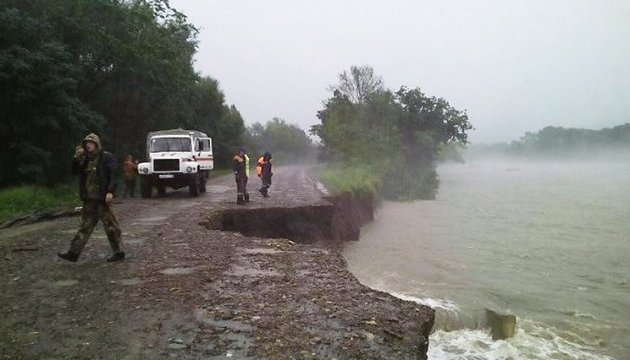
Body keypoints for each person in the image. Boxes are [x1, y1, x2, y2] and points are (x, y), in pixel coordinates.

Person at [57, 133, 125, 262]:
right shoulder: (85, 159)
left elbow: (113, 175)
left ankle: (119, 252)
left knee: (111, 226)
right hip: (89, 199)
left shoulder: (106, 157)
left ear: (96, 144)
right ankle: (73, 253)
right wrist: (76, 158)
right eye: (86, 143)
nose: (88, 145)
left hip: (102, 199)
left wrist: (110, 191)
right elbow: (74, 171)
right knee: (85, 226)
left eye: (91, 142)